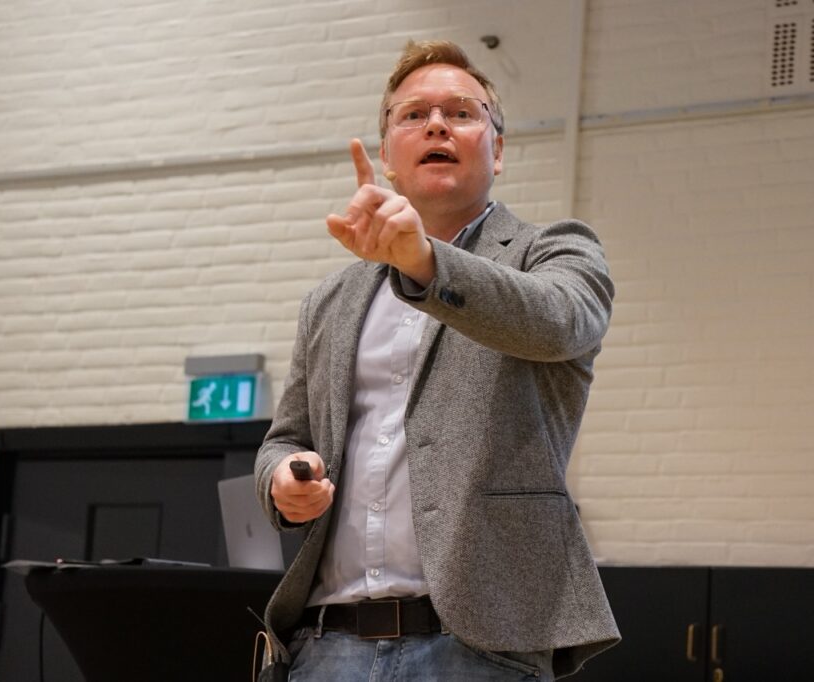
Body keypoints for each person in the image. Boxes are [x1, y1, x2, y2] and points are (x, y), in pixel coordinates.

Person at [255, 39, 619, 681]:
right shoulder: (330, 301)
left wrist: (424, 261)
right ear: (388, 157)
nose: (436, 125)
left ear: (497, 150)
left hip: (479, 646)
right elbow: (285, 439)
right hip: (326, 643)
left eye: (461, 112)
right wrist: (283, 481)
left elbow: (560, 321)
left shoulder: (555, 251)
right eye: (413, 115)